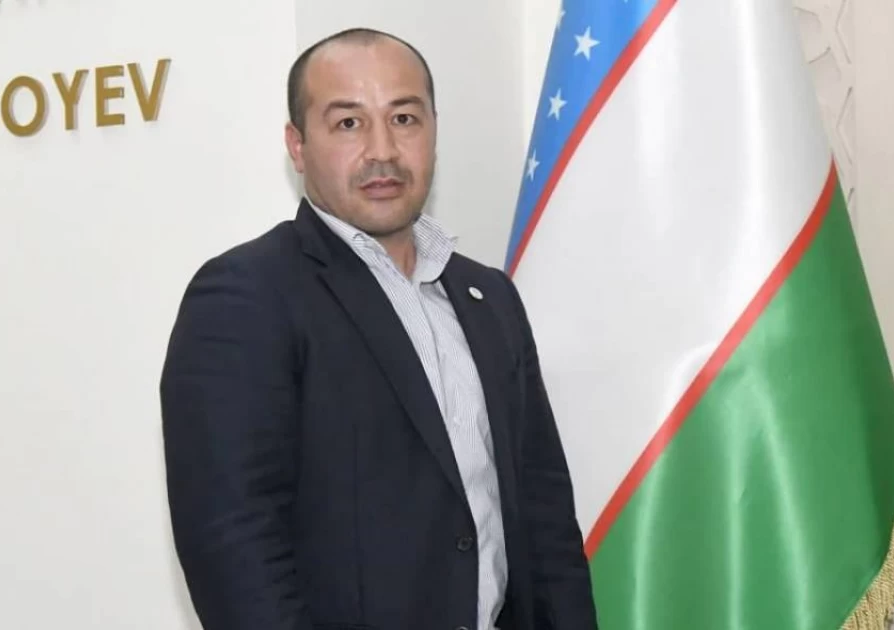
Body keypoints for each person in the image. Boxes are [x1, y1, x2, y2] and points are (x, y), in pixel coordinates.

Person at [159, 26, 597, 630]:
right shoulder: (245, 297)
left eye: (404, 119)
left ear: (434, 131)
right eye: (348, 123)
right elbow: (233, 546)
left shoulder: (489, 297)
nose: (382, 150)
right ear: (297, 145)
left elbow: (546, 520)